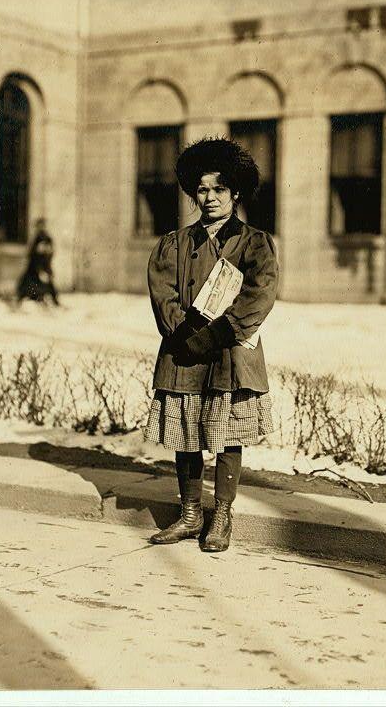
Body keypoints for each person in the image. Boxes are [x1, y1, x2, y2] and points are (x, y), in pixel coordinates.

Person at [143, 137, 280, 553]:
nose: (210, 198)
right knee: (186, 434)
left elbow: (259, 294)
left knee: (227, 434)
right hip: (184, 352)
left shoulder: (254, 242)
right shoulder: (174, 243)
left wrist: (217, 334)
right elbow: (163, 293)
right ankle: (190, 514)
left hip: (229, 352)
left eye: (219, 189)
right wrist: (184, 335)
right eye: (202, 190)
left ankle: (221, 514)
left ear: (235, 193)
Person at [16, 218, 60, 306]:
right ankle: (30, 298)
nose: (41, 228)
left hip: (45, 264)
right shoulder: (36, 238)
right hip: (35, 265)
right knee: (29, 283)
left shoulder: (48, 238)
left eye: (43, 225)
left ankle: (52, 300)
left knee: (48, 283)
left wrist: (46, 251)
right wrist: (37, 251)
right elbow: (31, 253)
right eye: (39, 226)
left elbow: (51, 252)